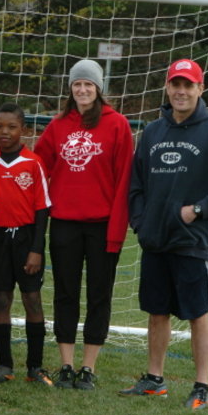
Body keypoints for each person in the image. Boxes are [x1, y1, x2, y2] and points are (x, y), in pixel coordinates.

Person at [120, 59, 208, 410]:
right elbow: (136, 185)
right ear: (167, 87)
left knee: (197, 313)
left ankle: (201, 387)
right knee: (156, 311)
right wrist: (141, 221)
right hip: (156, 240)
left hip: (193, 242)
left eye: (188, 85)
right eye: (176, 84)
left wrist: (197, 210)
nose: (181, 91)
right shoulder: (152, 132)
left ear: (200, 89)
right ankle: (154, 379)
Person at [34, 59, 134, 390]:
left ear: (98, 88)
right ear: (70, 88)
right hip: (64, 223)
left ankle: (88, 367)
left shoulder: (117, 124)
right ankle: (66, 364)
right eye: (77, 84)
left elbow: (124, 180)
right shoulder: (58, 125)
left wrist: (117, 230)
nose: (82, 89)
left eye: (88, 84)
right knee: (65, 293)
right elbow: (38, 166)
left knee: (99, 295)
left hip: (102, 225)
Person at [0, 103, 53, 386]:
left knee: (32, 299)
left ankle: (35, 366)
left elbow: (42, 209)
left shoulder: (33, 163)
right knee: (1, 298)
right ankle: (4, 364)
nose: (5, 132)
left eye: (11, 127)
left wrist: (36, 249)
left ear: (23, 129)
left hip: (26, 239)